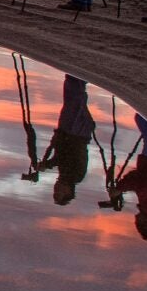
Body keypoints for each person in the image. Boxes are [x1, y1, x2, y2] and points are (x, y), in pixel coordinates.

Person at [38, 74, 95, 205]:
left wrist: (47, 165)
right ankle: (76, 76)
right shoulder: (75, 176)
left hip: (70, 132)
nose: (56, 189)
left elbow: (61, 158)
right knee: (74, 101)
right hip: (75, 133)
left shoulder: (66, 175)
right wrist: (47, 165)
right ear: (69, 191)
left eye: (55, 192)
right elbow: (65, 156)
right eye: (60, 192)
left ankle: (76, 76)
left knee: (73, 101)